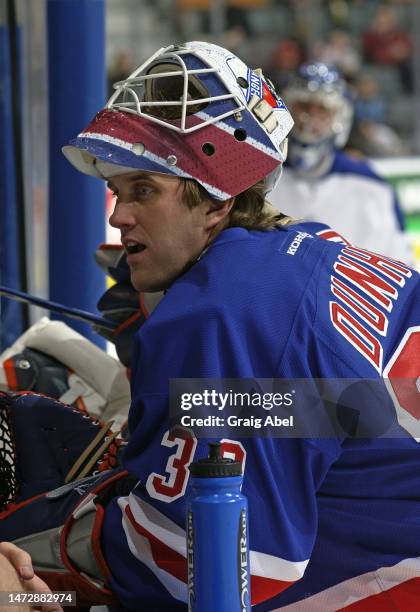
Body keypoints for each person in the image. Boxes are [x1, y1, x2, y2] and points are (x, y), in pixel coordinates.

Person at [1, 41, 419, 611]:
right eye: (119, 192)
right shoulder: (310, 247)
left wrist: (30, 565)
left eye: (144, 191)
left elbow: (211, 569)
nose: (120, 215)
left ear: (217, 203)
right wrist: (179, 383)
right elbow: (331, 411)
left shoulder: (224, 313)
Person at [267, 61, 415, 266]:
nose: (310, 120)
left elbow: (401, 267)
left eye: (322, 110)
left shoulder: (372, 186)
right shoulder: (259, 179)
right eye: (303, 106)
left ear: (340, 117)